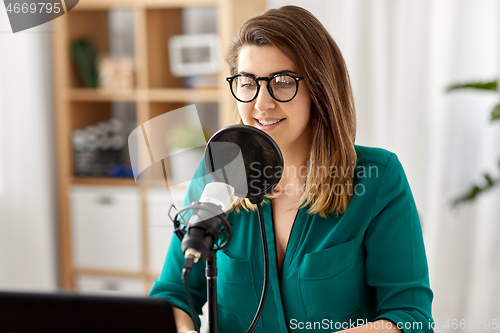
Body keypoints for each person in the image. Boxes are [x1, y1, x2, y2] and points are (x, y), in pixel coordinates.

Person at [150, 5, 434, 333]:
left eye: (283, 81)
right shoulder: (216, 172)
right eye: (247, 82)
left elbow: (411, 318)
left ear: (320, 88)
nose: (262, 103)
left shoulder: (378, 177)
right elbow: (173, 294)